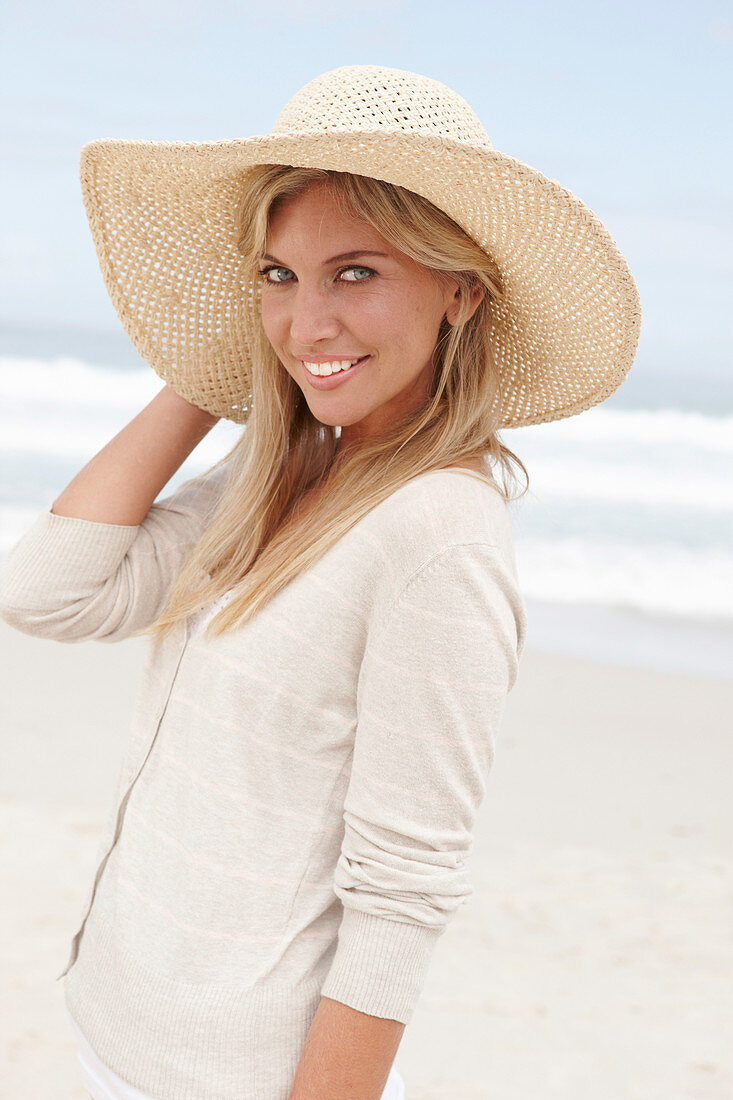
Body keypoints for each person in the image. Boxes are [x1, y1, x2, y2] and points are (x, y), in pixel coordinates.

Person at [0, 64, 640, 1100]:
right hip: (114, 1030)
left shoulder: (438, 535)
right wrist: (221, 366)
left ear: (459, 289)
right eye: (277, 274)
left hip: (231, 1077)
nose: (308, 320)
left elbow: (402, 897)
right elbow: (48, 590)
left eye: (354, 273)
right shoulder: (277, 470)